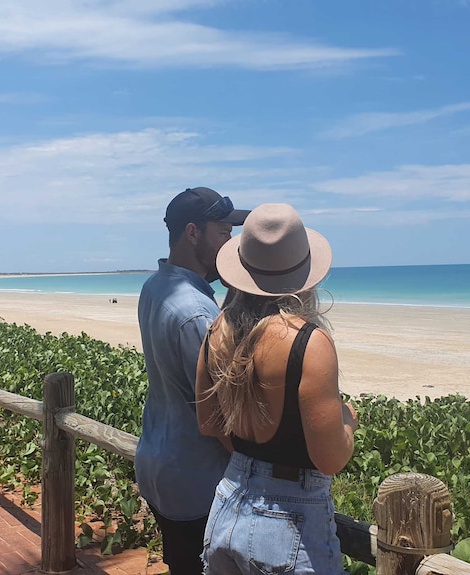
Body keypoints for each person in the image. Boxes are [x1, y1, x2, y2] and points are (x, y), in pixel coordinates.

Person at [195, 203, 358, 575]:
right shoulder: (308, 342)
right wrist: (348, 423)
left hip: (228, 499)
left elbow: (209, 425)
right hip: (289, 517)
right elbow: (330, 459)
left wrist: (252, 461)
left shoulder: (217, 331)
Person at [136, 187, 250, 574]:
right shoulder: (196, 311)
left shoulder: (155, 286)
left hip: (161, 465)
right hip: (196, 481)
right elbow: (220, 415)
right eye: (223, 233)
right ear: (192, 233)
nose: (230, 244)